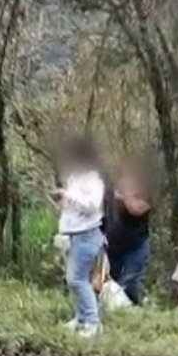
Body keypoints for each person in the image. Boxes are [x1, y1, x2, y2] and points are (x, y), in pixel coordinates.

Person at [53, 137, 106, 338]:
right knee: (73, 279)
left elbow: (92, 205)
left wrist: (67, 195)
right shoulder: (74, 179)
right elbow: (73, 207)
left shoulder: (94, 180)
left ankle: (93, 322)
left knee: (77, 279)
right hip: (73, 235)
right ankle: (81, 318)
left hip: (88, 235)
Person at [105, 164, 153, 305]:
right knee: (108, 282)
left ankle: (133, 307)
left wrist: (125, 196)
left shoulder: (145, 193)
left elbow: (136, 209)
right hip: (111, 245)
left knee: (129, 281)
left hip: (136, 246)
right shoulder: (109, 191)